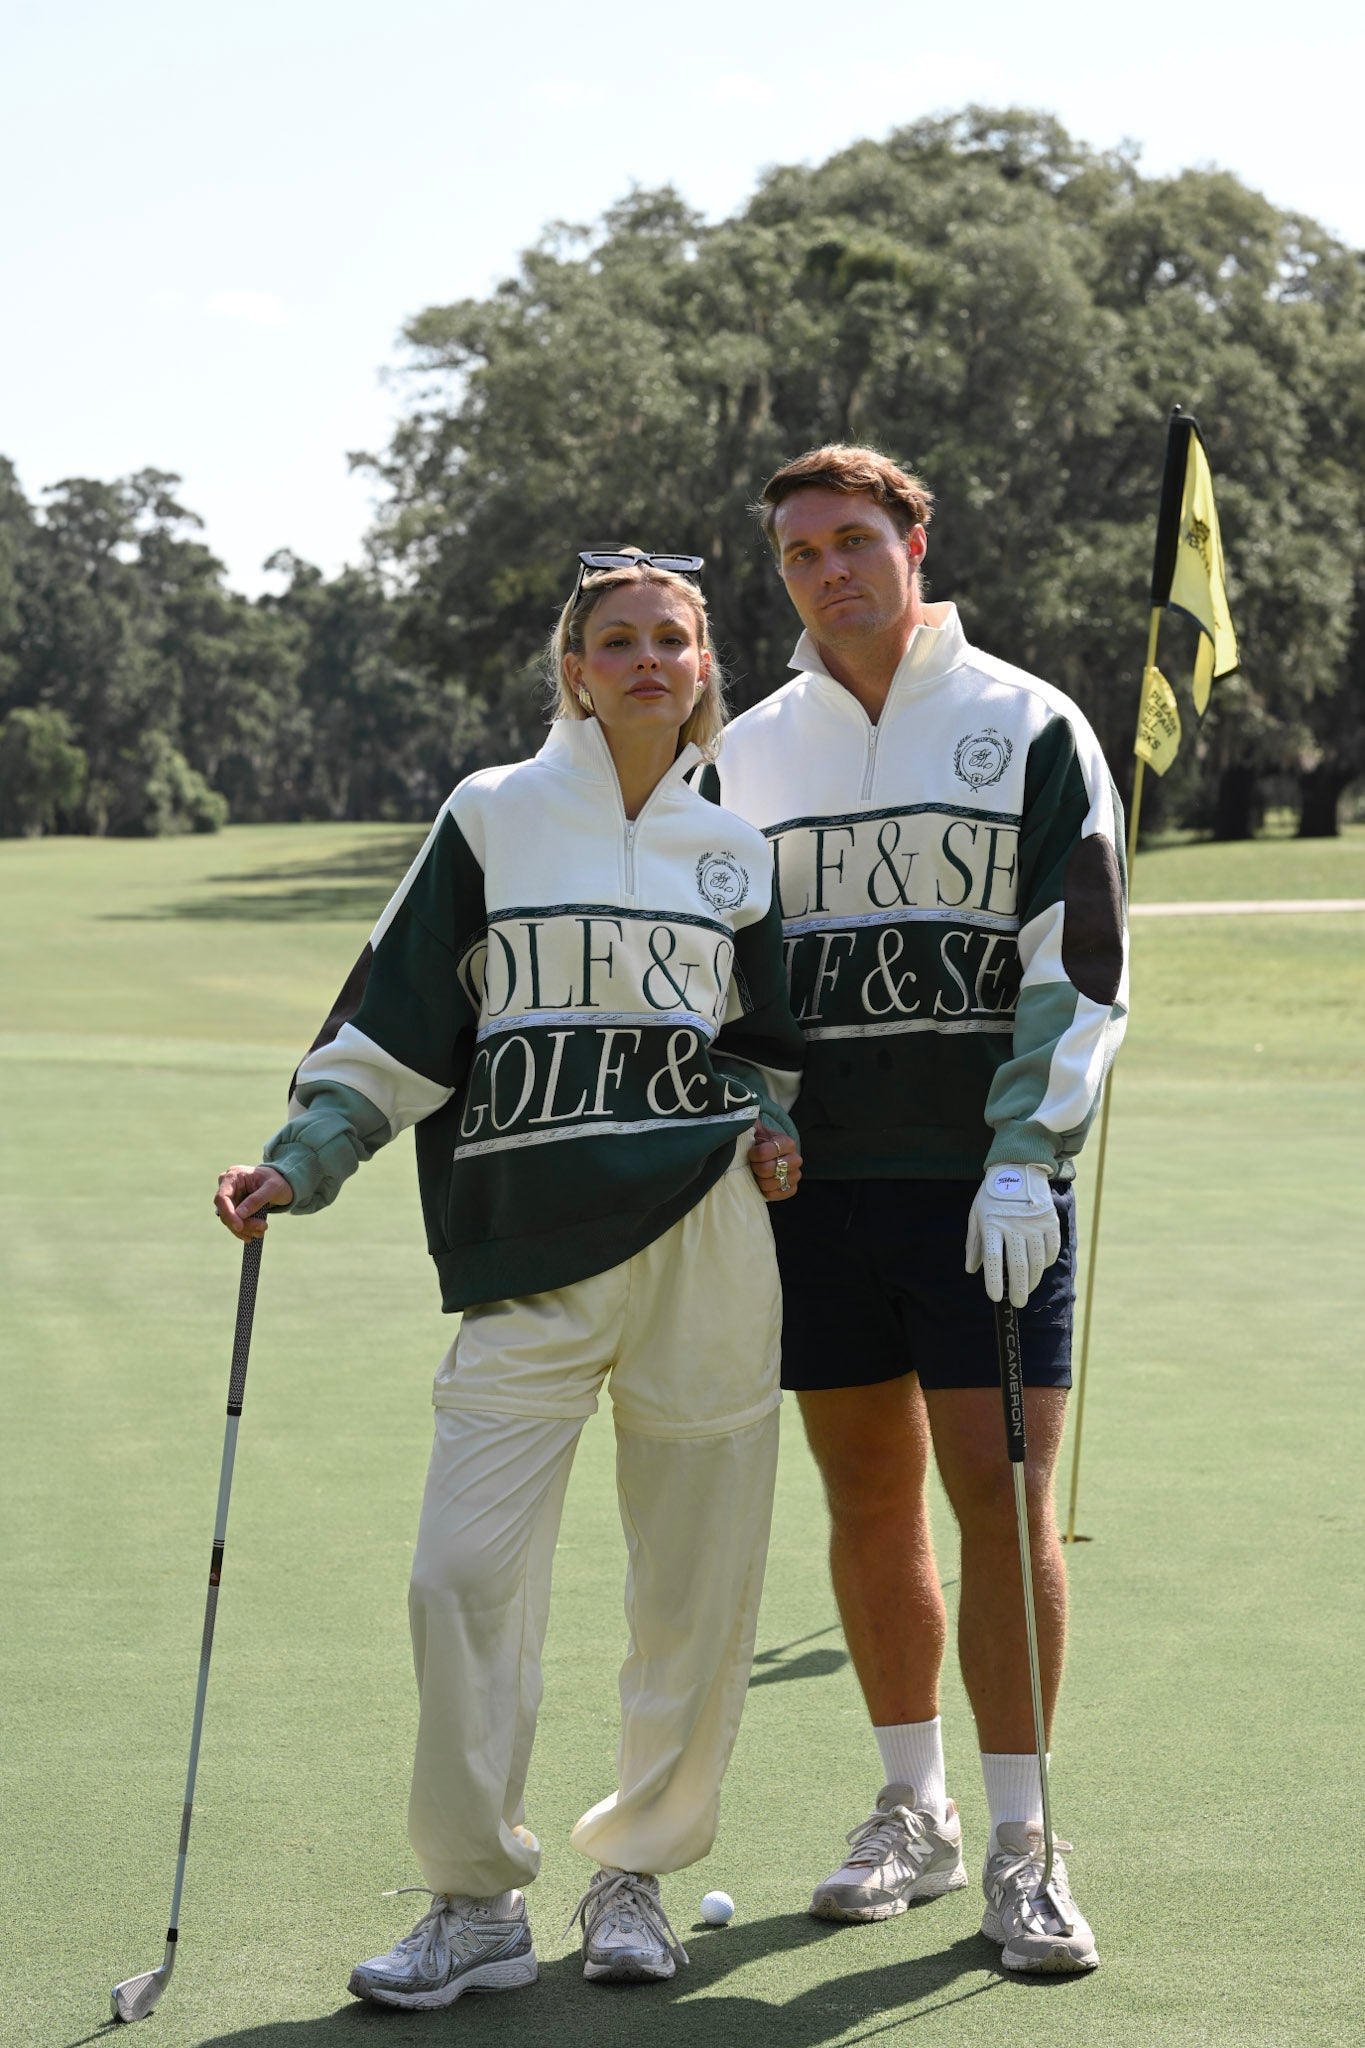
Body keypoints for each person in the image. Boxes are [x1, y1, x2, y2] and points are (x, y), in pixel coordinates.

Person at [214, 549, 804, 2008]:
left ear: (703, 668)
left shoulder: (737, 853)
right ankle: (474, 1900)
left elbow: (761, 1052)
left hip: (706, 1244)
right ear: (575, 671)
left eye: (672, 639)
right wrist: (305, 1157)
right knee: (460, 1576)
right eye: (620, 640)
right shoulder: (491, 813)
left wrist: (768, 1129)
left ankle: (635, 1877)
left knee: (695, 1584)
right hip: (526, 1254)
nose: (649, 659)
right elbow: (395, 1022)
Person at [700, 445, 1128, 1973]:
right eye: (799, 552)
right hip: (816, 1194)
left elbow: (1080, 957)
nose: (828, 571)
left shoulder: (1028, 722)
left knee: (1001, 1509)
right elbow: (718, 971)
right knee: (868, 1503)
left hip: (986, 1192)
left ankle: (1024, 1839)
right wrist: (749, 1112)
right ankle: (915, 1811)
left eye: (852, 540)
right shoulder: (744, 750)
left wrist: (1026, 1150)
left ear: (913, 542)